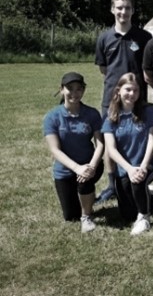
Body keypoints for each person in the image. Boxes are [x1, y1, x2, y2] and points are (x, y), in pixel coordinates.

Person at [95, 0, 152, 203]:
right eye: (119, 7)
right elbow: (104, 69)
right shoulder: (104, 38)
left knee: (138, 139)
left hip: (137, 99)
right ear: (112, 10)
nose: (123, 12)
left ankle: (140, 176)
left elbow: (147, 68)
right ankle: (113, 185)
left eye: (127, 8)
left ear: (132, 11)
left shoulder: (144, 37)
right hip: (111, 100)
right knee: (110, 141)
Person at [43, 72, 104, 233]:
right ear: (62, 90)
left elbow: (100, 144)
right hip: (65, 169)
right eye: (70, 88)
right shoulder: (52, 117)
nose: (74, 93)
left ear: (83, 90)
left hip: (90, 164)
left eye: (79, 89)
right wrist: (77, 168)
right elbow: (55, 150)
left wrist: (91, 167)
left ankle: (87, 216)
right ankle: (85, 200)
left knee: (85, 181)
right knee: (70, 216)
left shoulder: (92, 113)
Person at [102, 73, 153, 235]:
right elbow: (111, 149)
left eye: (136, 90)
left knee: (138, 182)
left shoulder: (147, 111)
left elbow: (152, 141)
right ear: (118, 90)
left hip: (146, 163)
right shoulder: (111, 116)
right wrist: (129, 169)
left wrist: (142, 166)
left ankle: (144, 218)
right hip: (124, 168)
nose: (132, 94)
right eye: (128, 89)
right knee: (127, 215)